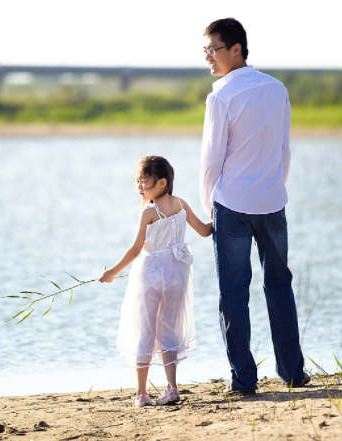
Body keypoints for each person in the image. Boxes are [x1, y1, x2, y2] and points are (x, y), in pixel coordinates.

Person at [200, 18, 310, 395]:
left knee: (233, 292)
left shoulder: (220, 97)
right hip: (271, 201)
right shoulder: (276, 88)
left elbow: (211, 161)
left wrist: (207, 201)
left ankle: (244, 381)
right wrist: (275, 188)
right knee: (279, 284)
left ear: (237, 49)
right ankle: (294, 373)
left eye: (213, 50)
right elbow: (284, 151)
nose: (209, 58)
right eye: (205, 52)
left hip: (231, 203)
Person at [99, 156, 213, 407]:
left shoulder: (149, 212)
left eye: (145, 182)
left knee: (145, 327)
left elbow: (135, 249)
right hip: (178, 273)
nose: (140, 187)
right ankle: (171, 388)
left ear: (162, 183)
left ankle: (141, 393)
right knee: (168, 327)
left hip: (150, 274)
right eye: (138, 182)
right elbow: (205, 231)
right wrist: (219, 215)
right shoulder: (181, 204)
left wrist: (113, 272)